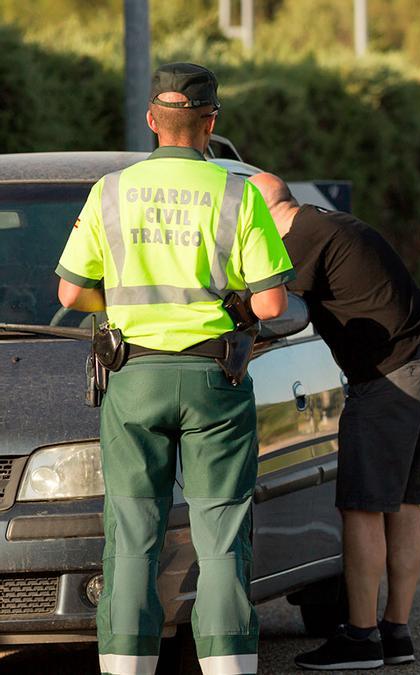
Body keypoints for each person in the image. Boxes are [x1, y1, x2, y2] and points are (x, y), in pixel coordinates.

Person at [56, 63, 294, 675]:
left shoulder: (109, 191)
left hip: (133, 380)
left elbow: (69, 293)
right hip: (215, 381)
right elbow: (271, 304)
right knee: (221, 536)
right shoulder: (238, 192)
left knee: (133, 537)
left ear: (150, 122)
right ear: (211, 123)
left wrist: (126, 302)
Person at [247, 173, 420, 670]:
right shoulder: (331, 225)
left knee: (362, 507)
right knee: (403, 503)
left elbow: (265, 312)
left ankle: (361, 638)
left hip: (389, 375)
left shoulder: (297, 240)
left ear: (260, 213)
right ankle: (395, 633)